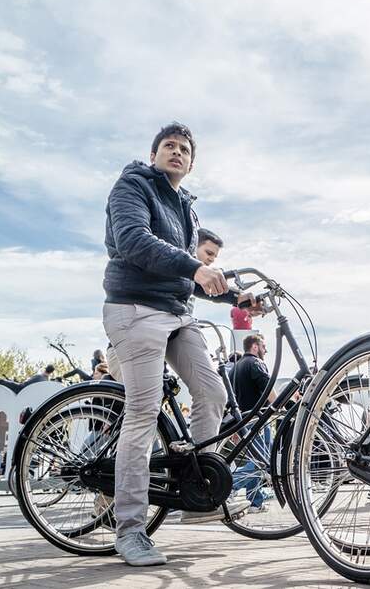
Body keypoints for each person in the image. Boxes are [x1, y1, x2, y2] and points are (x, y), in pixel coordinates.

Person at [102, 122, 261, 566]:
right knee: (143, 412)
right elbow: (135, 242)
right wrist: (195, 267)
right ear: (154, 154)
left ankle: (200, 491)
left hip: (176, 313)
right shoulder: (133, 185)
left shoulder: (187, 209)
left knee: (212, 391)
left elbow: (188, 278)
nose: (176, 153)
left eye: (184, 149)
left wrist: (236, 295)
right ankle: (130, 530)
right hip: (135, 308)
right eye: (168, 146)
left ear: (191, 163)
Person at [228, 334, 274, 513]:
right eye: (264, 346)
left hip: (241, 422)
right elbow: (269, 389)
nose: (266, 350)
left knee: (255, 460)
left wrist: (234, 428)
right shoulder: (256, 363)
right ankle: (229, 485)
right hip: (257, 420)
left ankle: (255, 502)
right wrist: (283, 408)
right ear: (255, 346)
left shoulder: (235, 367)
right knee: (260, 462)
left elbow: (230, 401)